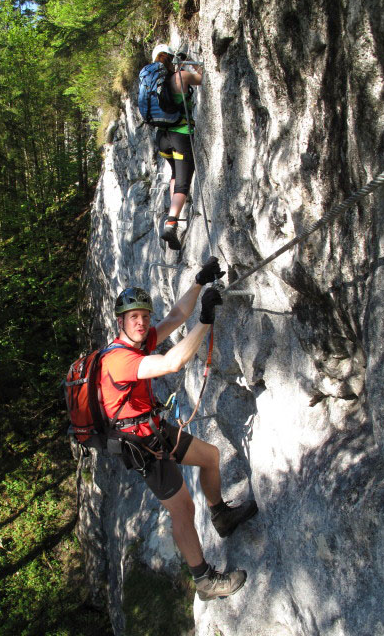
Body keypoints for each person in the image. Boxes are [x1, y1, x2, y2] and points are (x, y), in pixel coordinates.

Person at [99, 257, 258, 601]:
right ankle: (204, 580)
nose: (141, 323)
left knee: (210, 457)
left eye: (143, 316)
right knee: (183, 508)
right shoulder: (120, 358)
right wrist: (206, 319)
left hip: (154, 429)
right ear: (121, 322)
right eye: (133, 318)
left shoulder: (137, 341)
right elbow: (174, 361)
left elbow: (174, 317)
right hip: (140, 446)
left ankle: (222, 516)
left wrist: (199, 281)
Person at [151, 43, 203, 251]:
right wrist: (189, 63)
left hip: (162, 138)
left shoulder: (154, 83)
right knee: (183, 182)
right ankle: (171, 223)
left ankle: (173, 216)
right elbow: (202, 77)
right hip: (180, 136)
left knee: (174, 174)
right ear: (172, 59)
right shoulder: (181, 76)